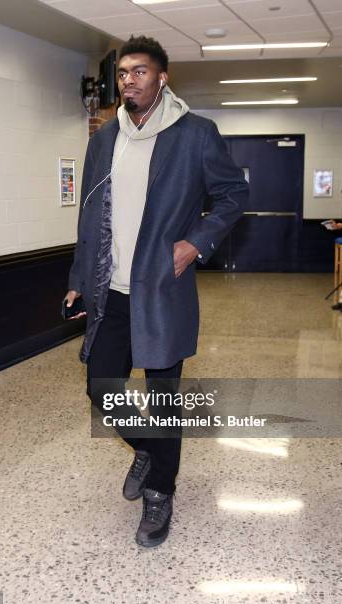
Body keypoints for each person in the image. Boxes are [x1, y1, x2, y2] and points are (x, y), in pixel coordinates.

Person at [64, 35, 249, 547]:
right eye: (123, 72)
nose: (129, 80)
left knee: (164, 399)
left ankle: (160, 493)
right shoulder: (104, 140)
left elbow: (234, 194)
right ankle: (148, 449)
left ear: (162, 78)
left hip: (162, 291)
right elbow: (90, 218)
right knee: (102, 391)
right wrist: (79, 282)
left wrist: (196, 243)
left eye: (140, 71)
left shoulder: (195, 133)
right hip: (111, 292)